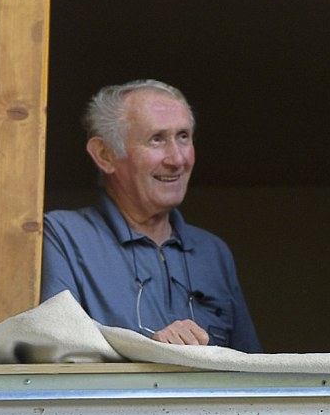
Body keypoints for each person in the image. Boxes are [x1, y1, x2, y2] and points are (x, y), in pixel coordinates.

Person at [41, 79, 262, 351]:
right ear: (105, 155)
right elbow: (55, 357)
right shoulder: (62, 236)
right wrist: (150, 351)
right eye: (156, 139)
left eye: (183, 137)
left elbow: (250, 370)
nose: (177, 159)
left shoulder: (213, 252)